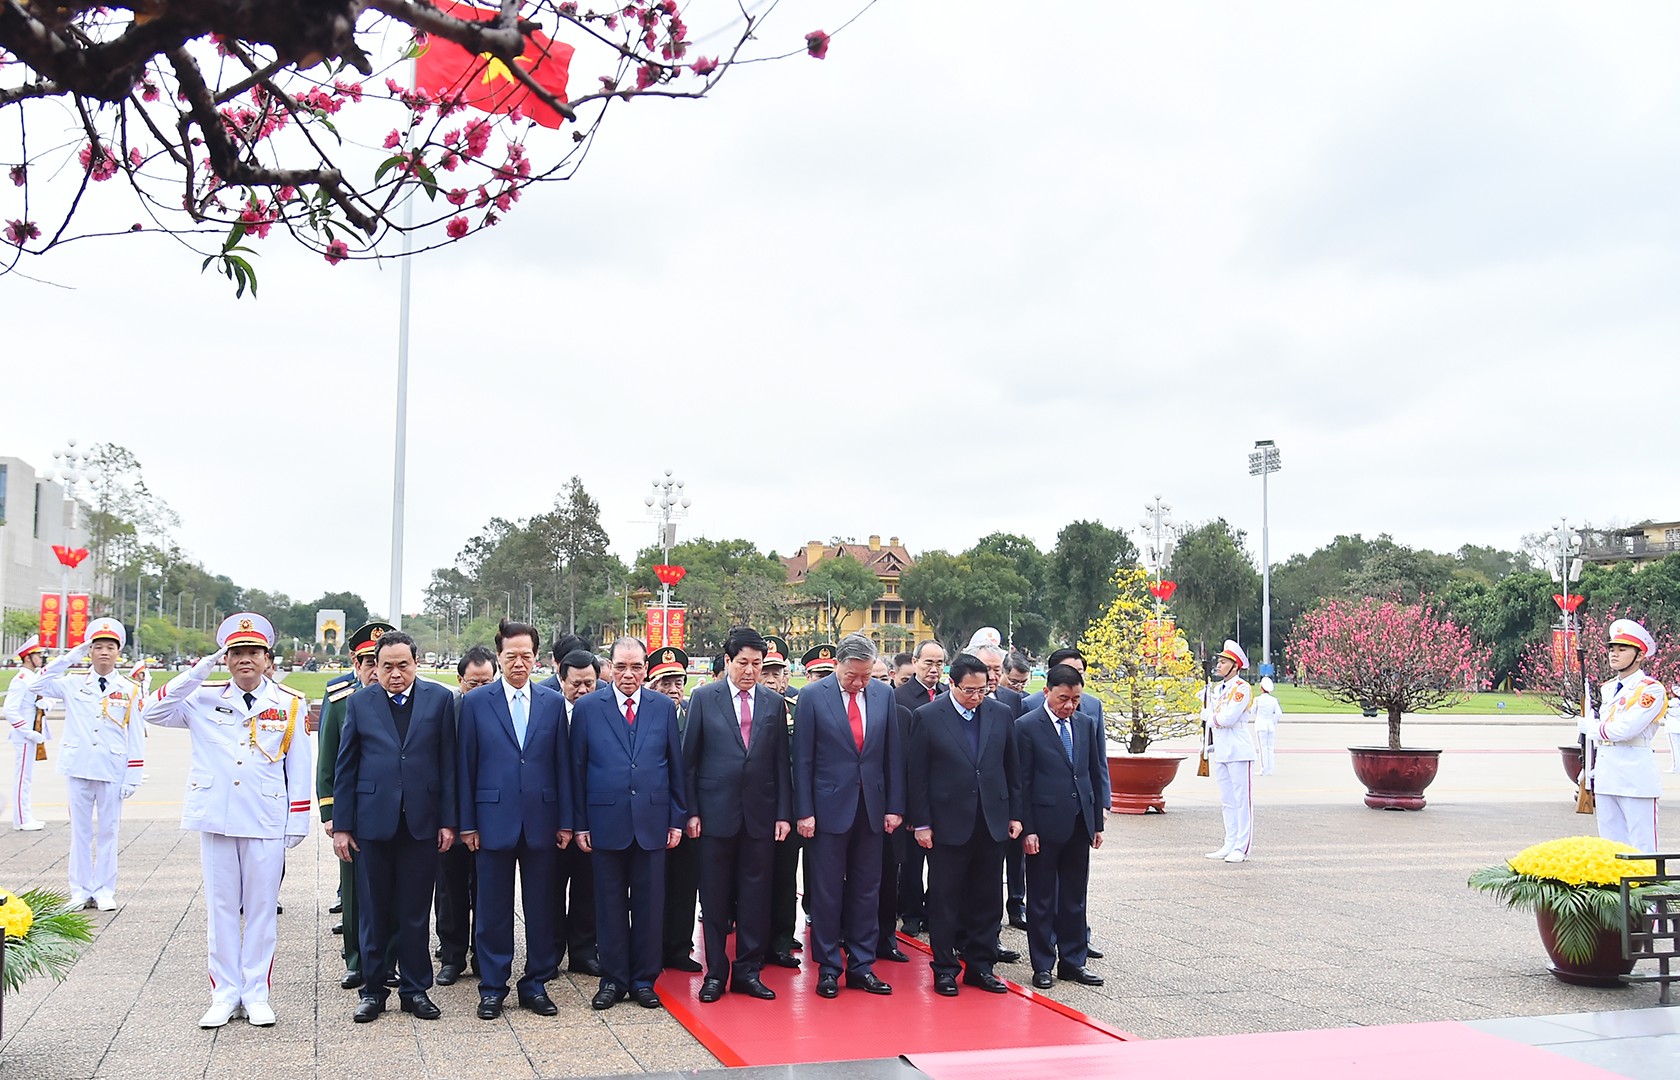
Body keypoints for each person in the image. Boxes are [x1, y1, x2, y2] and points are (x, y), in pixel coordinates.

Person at [141, 613, 312, 1028]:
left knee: (260, 911)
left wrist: (297, 821)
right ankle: (223, 993)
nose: (245, 660)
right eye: (235, 653)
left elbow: (300, 765)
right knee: (220, 910)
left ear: (267, 656)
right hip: (217, 816)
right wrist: (200, 669)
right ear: (226, 658)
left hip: (265, 817)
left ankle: (256, 993)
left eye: (253, 652)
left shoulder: (289, 703)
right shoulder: (201, 697)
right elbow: (151, 710)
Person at [332, 629, 459, 1023]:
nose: (395, 674)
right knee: (374, 911)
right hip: (373, 824)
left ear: (416, 664)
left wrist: (449, 821)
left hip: (422, 824)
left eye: (403, 665)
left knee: (415, 912)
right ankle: (373, 990)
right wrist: (342, 826)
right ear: (376, 667)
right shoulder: (360, 702)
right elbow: (346, 767)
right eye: (386, 666)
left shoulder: (439, 700)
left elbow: (448, 765)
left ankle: (415, 989)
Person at [458, 621, 570, 1020]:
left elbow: (563, 767)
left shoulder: (552, 702)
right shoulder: (475, 703)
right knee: (492, 910)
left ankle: (536, 983)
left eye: (526, 656)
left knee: (542, 907)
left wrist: (566, 822)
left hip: (542, 819)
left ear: (536, 657)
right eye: (511, 656)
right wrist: (466, 823)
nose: (519, 663)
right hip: (491, 820)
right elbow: (465, 767)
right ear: (499, 657)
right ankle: (492, 987)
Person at [570, 636, 686, 1011]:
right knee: (609, 904)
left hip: (653, 821)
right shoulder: (588, 708)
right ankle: (614, 978)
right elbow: (578, 770)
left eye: (636, 667)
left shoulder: (661, 707)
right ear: (610, 667)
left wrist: (676, 817)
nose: (629, 674)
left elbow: (674, 765)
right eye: (621, 666)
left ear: (646, 669)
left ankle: (643, 979)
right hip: (605, 821)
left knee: (651, 906)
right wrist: (580, 823)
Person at [682, 627, 790, 1003]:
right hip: (714, 815)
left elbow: (780, 765)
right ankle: (716, 973)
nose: (750, 670)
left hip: (759, 816)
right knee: (714, 899)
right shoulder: (703, 698)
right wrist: (691, 812)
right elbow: (689, 762)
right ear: (728, 661)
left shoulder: (773, 703)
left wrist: (783, 814)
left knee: (756, 896)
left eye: (757, 664)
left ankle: (748, 971)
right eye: (742, 662)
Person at [794, 633, 903, 999]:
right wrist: (804, 811)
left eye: (866, 676)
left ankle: (861, 965)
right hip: (826, 811)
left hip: (871, 809)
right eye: (852, 676)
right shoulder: (811, 697)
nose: (859, 683)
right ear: (838, 665)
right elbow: (803, 760)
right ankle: (828, 967)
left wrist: (894, 806)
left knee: (866, 891)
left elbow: (892, 756)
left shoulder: (883, 695)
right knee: (826, 892)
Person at [908, 653, 1021, 996]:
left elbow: (1012, 768)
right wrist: (922, 823)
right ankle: (944, 968)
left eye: (983, 690)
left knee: (987, 897)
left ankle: (981, 966)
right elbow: (918, 776)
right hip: (947, 823)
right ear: (952, 684)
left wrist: (1015, 814)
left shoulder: (1000, 714)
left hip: (991, 821)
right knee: (945, 899)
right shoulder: (927, 717)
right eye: (969, 690)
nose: (977, 697)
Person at [27, 617, 147, 910]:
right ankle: (79, 890)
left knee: (108, 831)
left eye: (110, 647)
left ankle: (105, 889)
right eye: (97, 647)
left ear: (119, 653)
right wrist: (70, 656)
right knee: (80, 831)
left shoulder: (129, 689)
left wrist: (134, 775)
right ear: (89, 651)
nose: (104, 652)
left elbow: (136, 734)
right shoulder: (72, 683)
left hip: (112, 768)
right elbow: (37, 684)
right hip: (79, 765)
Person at [1015, 664, 1105, 989]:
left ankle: (1073, 961)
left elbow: (1092, 773)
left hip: (1079, 822)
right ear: (1047, 692)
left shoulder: (1085, 724)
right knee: (1040, 898)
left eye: (1075, 699)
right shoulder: (1026, 727)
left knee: (1074, 897)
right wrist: (1028, 829)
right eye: (1063, 698)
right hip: (1043, 824)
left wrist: (1096, 823)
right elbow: (1021, 782)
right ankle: (1042, 963)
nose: (1069, 706)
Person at [317, 621, 392, 989]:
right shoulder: (341, 698)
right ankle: (357, 960)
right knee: (355, 891)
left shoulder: (400, 697)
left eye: (379, 662)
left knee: (392, 891)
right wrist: (331, 813)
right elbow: (328, 758)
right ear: (355, 662)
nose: (374, 672)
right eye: (367, 663)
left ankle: (389, 960)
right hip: (356, 812)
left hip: (394, 812)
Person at [435, 645, 497, 987]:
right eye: (473, 683)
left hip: (490, 818)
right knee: (450, 890)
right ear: (460, 682)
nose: (480, 689)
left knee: (488, 890)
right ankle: (452, 955)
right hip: (453, 819)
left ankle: (482, 955)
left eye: (486, 681)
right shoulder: (448, 711)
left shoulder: (500, 710)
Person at [540, 642, 602, 977]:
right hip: (551, 817)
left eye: (588, 684)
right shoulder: (545, 709)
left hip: (592, 817)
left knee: (587, 888)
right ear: (560, 680)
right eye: (575, 683)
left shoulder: (602, 710)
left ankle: (583, 951)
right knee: (549, 889)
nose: (581, 690)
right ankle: (549, 954)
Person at [1585, 620, 1666, 853]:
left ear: (1639, 656)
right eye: (1612, 649)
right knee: (1611, 846)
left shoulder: (1650, 689)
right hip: (1607, 773)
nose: (1614, 654)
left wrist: (1592, 727)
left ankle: (1647, 888)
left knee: (1642, 848)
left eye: (1622, 649)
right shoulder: (1608, 688)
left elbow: (1625, 730)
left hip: (1635, 775)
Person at [649, 646, 703, 974]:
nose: (672, 689)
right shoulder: (646, 715)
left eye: (677, 681)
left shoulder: (694, 715)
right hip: (653, 815)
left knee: (685, 884)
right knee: (653, 886)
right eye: (664, 682)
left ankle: (679, 947)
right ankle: (651, 947)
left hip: (689, 816)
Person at [893, 639, 946, 937]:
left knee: (940, 862)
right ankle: (911, 912)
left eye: (939, 663)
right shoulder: (899, 698)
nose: (934, 669)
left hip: (942, 792)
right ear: (915, 663)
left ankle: (933, 911)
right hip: (912, 793)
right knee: (911, 862)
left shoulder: (948, 696)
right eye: (928, 663)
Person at [764, 636, 806, 969]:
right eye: (766, 671)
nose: (771, 679)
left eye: (776, 672)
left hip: (787, 808)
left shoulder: (796, 712)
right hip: (750, 806)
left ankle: (780, 939)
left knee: (784, 877)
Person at [1202, 640, 1256, 864]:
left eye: (1224, 662)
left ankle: (1242, 847)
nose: (1219, 665)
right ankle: (1230, 841)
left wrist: (1209, 716)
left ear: (1235, 666)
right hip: (1223, 749)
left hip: (1239, 748)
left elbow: (1227, 719)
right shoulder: (1218, 689)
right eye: (1219, 661)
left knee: (1242, 800)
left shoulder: (1241, 688)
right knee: (1227, 800)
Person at [4, 636, 51, 830]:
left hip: (33, 732)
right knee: (23, 777)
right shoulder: (21, 680)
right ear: (28, 658)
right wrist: (27, 731)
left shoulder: (33, 677)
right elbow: (9, 709)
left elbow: (44, 699)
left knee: (27, 777)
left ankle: (25, 815)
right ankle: (22, 819)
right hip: (25, 736)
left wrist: (45, 704)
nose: (41, 657)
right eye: (37, 655)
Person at [1254, 676, 1282, 775]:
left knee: (1263, 747)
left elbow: (1253, 711)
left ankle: (1263, 769)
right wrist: (1273, 721)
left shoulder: (1257, 699)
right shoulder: (1273, 700)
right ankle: (1270, 769)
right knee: (1270, 747)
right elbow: (1278, 713)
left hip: (1261, 724)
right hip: (1270, 724)